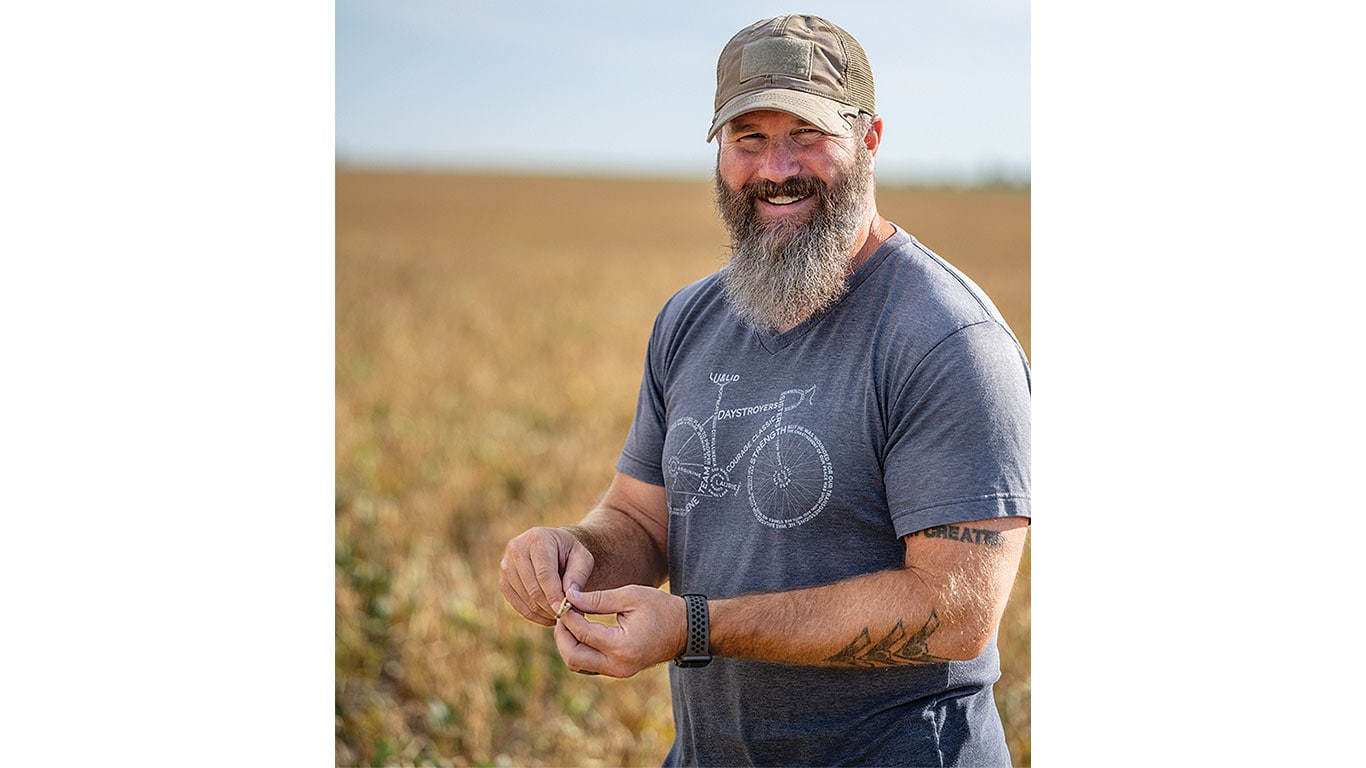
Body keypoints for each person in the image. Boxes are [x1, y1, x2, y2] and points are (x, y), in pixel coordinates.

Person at [499, 13, 1030, 767]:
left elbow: (953, 611)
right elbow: (641, 524)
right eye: (749, 138)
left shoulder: (947, 339)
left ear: (870, 139)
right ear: (720, 150)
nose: (776, 167)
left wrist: (696, 626)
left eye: (806, 134)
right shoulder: (690, 319)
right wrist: (573, 553)